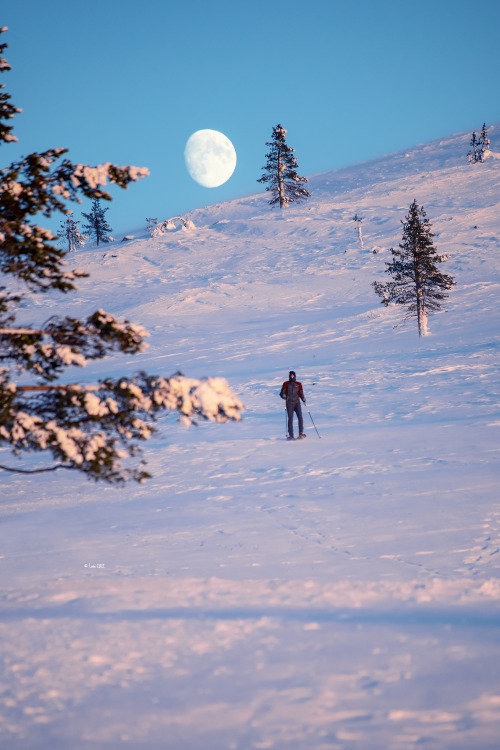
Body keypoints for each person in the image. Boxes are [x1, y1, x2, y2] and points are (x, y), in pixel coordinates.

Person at [280, 370, 306, 440]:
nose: (292, 376)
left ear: (295, 376)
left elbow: (301, 393)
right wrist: (284, 396)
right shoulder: (286, 383)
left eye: (293, 375)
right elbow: (281, 393)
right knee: (290, 419)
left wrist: (303, 398)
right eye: (291, 375)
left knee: (300, 417)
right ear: (289, 376)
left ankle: (301, 433)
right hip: (289, 403)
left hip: (297, 403)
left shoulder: (299, 384)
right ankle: (291, 435)